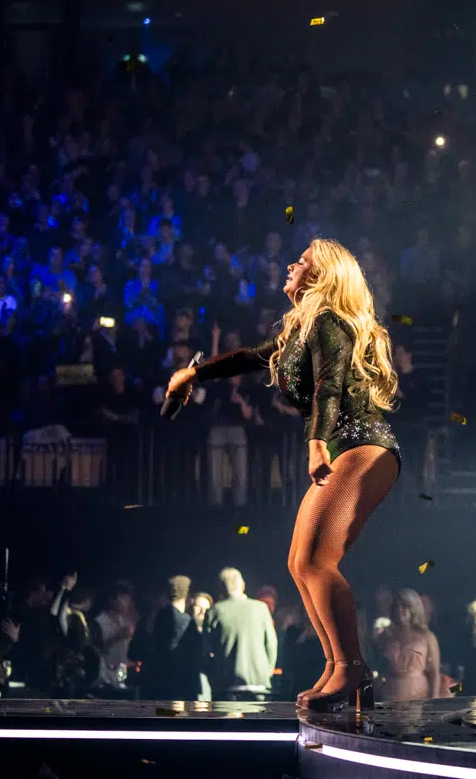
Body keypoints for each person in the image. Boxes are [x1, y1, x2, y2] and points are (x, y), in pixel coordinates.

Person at [166, 237, 401, 711]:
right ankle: (339, 667)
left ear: (322, 276)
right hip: (346, 445)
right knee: (300, 564)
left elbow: (329, 386)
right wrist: (194, 375)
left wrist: (316, 442)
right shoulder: (302, 329)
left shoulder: (330, 322)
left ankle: (352, 670)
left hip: (361, 446)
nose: (292, 264)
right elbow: (251, 356)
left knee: (317, 560)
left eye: (304, 261)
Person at [203, 568, 278, 701]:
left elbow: (205, 650)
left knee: (229, 721)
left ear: (221, 588)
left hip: (227, 685)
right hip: (259, 684)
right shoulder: (260, 608)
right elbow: (272, 644)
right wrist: (267, 671)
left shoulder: (214, 611)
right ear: (242, 585)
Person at [376, 589, 441, 702]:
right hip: (389, 695)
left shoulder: (427, 637)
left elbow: (434, 673)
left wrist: (434, 701)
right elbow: (379, 668)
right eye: (396, 606)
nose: (399, 610)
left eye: (404, 606)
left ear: (413, 608)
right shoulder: (386, 636)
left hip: (418, 695)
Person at [143, 575, 200, 700]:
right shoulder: (184, 621)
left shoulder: (157, 617)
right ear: (187, 595)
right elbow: (194, 652)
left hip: (159, 685)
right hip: (181, 687)